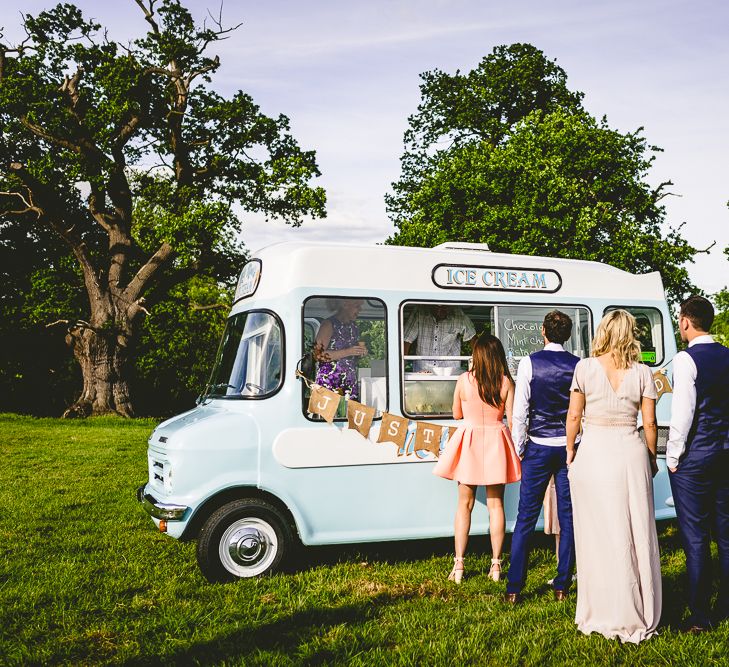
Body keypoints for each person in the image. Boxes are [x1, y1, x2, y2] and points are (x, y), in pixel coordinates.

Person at [566, 309, 661, 643]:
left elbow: (574, 416)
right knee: (635, 534)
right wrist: (650, 459)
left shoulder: (585, 368)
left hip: (593, 454)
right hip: (630, 452)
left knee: (598, 535)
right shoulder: (643, 373)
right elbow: (649, 424)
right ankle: (636, 606)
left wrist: (569, 452)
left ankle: (603, 607)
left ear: (604, 331)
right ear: (630, 334)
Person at [433, 333, 521, 583]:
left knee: (464, 505)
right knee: (496, 505)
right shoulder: (505, 383)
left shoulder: (464, 380)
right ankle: (496, 566)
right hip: (496, 440)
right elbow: (513, 421)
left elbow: (456, 413)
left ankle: (459, 565)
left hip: (469, 441)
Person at [506, 310, 579, 603]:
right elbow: (578, 411)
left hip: (538, 445)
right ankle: (562, 585)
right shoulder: (579, 365)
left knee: (525, 517)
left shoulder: (529, 363)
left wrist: (519, 446)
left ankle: (514, 588)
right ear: (569, 334)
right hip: (569, 448)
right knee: (569, 516)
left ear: (543, 331)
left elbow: (520, 410)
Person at [666, 295, 729, 632]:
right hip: (726, 453)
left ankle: (700, 615)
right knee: (726, 534)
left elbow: (683, 415)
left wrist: (673, 457)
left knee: (695, 538)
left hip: (695, 457)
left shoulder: (685, 359)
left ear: (686, 322)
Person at [314, 298, 367, 399]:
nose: (360, 310)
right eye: (357, 306)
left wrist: (360, 353)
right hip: (329, 383)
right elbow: (318, 355)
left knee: (349, 414)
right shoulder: (328, 324)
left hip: (349, 383)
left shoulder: (354, 327)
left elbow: (351, 357)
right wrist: (348, 351)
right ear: (345, 305)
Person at [403, 304, 477, 372]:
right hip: (422, 370)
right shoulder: (420, 311)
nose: (440, 311)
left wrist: (477, 366)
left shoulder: (458, 313)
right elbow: (406, 341)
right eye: (436, 307)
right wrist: (401, 369)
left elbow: (473, 340)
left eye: (444, 307)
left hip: (450, 371)